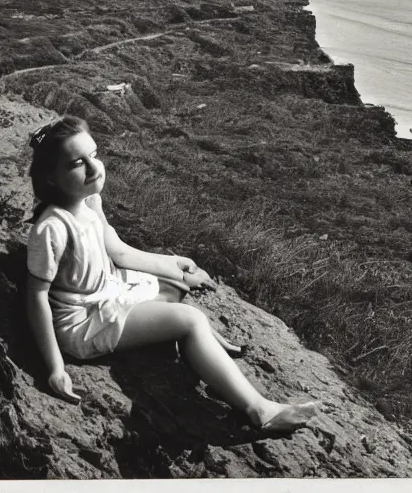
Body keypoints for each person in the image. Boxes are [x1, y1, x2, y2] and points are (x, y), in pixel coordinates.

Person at [26, 116, 318, 432]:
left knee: (173, 287)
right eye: (77, 163)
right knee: (188, 320)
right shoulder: (53, 227)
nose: (95, 168)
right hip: (84, 323)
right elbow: (35, 297)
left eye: (94, 155)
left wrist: (177, 263)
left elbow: (120, 252)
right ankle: (260, 411)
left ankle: (202, 340)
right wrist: (55, 367)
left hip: (107, 292)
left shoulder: (89, 202)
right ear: (51, 178)